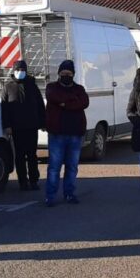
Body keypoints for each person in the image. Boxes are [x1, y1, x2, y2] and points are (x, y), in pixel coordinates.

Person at [45, 60, 88, 207]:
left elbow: (84, 103)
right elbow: (55, 98)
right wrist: (71, 102)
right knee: (54, 167)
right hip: (57, 134)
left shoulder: (79, 89)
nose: (66, 76)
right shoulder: (52, 87)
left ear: (73, 75)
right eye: (63, 73)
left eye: (68, 74)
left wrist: (65, 104)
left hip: (75, 134)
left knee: (72, 167)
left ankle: (69, 193)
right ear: (59, 74)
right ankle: (50, 196)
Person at [2, 60, 46, 191]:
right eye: (18, 70)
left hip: (31, 126)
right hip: (16, 128)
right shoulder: (8, 87)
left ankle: (34, 180)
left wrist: (43, 122)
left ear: (26, 71)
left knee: (32, 155)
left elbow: (40, 106)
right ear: (13, 70)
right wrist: (7, 125)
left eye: (22, 70)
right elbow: (4, 108)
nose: (20, 72)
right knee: (19, 156)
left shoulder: (32, 85)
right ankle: (22, 182)